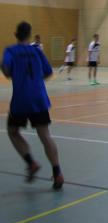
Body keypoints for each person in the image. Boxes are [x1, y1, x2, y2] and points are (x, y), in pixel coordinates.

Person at [2, 21, 64, 190]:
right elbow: (48, 72)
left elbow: (6, 71)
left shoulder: (10, 51)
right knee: (45, 136)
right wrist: (35, 80)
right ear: (29, 35)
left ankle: (31, 163)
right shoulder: (37, 51)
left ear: (16, 34)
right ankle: (57, 173)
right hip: (39, 99)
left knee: (13, 131)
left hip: (21, 100)